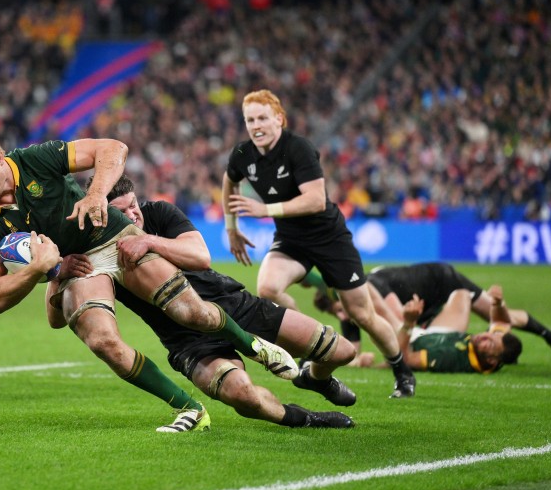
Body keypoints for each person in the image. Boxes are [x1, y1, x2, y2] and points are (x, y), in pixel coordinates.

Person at [0, 121, 298, 433]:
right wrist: (44, 269)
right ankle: (189, 408)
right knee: (102, 342)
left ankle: (253, 346)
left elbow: (114, 148)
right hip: (79, 265)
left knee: (191, 313)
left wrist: (97, 194)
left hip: (111, 236)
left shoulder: (34, 159)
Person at [47, 175, 359, 429]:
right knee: (243, 396)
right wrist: (56, 272)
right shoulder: (97, 250)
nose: (131, 216)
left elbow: (200, 256)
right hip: (186, 341)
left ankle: (315, 378)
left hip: (235, 305)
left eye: (132, 206)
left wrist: (148, 240)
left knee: (342, 351)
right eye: (120, 212)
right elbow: (56, 320)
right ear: (102, 215)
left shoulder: (159, 213)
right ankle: (306, 420)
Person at [221, 89, 416, 398]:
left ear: (279, 119)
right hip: (290, 240)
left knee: (361, 314)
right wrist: (231, 227)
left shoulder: (299, 149)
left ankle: (402, 370)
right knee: (268, 289)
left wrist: (265, 210)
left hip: (330, 240)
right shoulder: (243, 154)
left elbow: (314, 200)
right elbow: (229, 180)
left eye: (262, 118)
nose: (256, 126)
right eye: (249, 120)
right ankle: (312, 342)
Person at [307, 262, 551, 367]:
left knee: (495, 314)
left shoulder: (372, 287)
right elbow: (351, 349)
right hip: (425, 307)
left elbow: (399, 323)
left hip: (442, 281)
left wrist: (385, 361)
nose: (343, 314)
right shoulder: (351, 306)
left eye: (341, 308)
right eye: (338, 312)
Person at [396, 286, 523, 374]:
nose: (485, 335)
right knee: (462, 294)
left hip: (408, 340)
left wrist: (408, 323)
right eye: (491, 334)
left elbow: (404, 360)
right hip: (437, 334)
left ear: (491, 360)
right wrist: (498, 304)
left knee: (383, 309)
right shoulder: (491, 353)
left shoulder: (449, 359)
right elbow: (501, 322)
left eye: (490, 343)